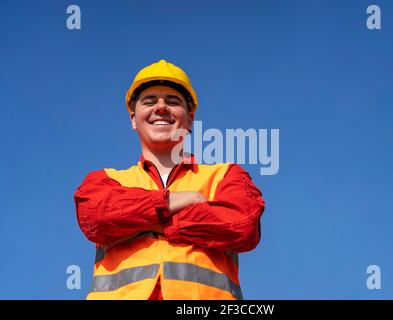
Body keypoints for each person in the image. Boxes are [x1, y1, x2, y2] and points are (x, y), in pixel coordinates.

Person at [74, 59, 265, 300]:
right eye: (150, 101)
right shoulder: (105, 180)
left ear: (190, 118)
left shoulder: (226, 175)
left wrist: (144, 219)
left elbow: (241, 226)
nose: (161, 107)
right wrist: (173, 202)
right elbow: (96, 216)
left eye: (173, 101)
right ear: (134, 118)